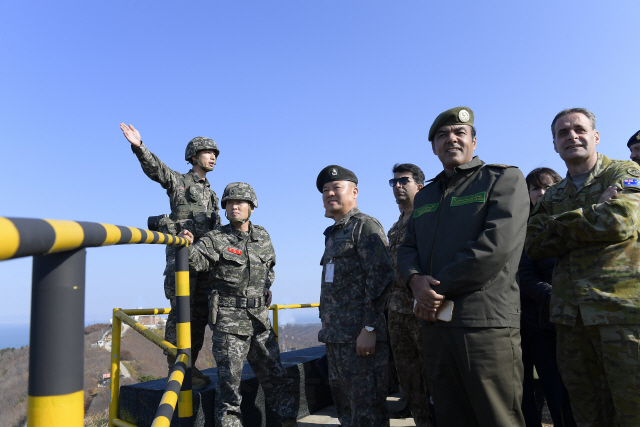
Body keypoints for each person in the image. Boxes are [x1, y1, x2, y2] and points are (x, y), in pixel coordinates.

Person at [398, 106, 528, 427]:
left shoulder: (502, 178)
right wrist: (414, 281)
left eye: (459, 133)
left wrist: (433, 289)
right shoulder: (426, 195)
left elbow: (495, 247)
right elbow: (407, 247)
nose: (451, 139)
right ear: (433, 147)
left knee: (498, 418)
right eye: (442, 135)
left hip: (484, 324)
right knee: (451, 416)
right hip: (435, 326)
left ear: (474, 141)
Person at [526, 108, 640, 426]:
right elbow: (533, 245)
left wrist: (558, 227)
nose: (572, 135)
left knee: (632, 409)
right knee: (586, 411)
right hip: (571, 320)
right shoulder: (555, 194)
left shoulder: (625, 171)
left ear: (596, 136)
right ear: (555, 144)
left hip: (620, 314)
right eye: (563, 132)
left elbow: (620, 220)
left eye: (579, 129)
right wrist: (593, 210)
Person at [179, 182, 298, 427]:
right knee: (229, 391)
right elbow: (197, 261)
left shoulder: (262, 236)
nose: (235, 206)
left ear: (252, 207)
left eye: (240, 202)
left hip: (259, 321)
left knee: (276, 378)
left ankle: (288, 422)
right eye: (230, 203)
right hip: (229, 326)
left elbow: (269, 267)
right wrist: (185, 244)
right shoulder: (216, 238)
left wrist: (265, 288)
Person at [120, 123, 220, 389]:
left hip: (205, 263)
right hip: (183, 261)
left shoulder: (212, 195)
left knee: (198, 317)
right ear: (193, 156)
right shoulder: (181, 181)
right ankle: (177, 368)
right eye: (207, 152)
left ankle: (190, 365)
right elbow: (158, 171)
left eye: (215, 154)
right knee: (181, 314)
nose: (212, 157)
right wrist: (139, 147)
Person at [317, 165, 394, 427]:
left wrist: (369, 326)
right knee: (347, 412)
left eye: (336, 188)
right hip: (337, 339)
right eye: (325, 190)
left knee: (368, 412)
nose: (330, 193)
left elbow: (382, 276)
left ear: (355, 191)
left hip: (361, 338)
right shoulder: (334, 234)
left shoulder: (365, 226)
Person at [519, 167, 575, 427]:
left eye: (548, 187)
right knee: (527, 394)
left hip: (569, 322)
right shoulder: (524, 228)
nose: (541, 193)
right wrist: (558, 297)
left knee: (561, 393)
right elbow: (526, 276)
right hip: (535, 321)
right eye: (535, 188)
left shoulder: (574, 218)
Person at [386, 163, 433, 427]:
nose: (398, 186)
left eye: (404, 181)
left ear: (420, 186)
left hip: (421, 309)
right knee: (408, 375)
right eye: (394, 182)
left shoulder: (428, 220)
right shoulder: (395, 227)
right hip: (397, 311)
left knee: (432, 374)